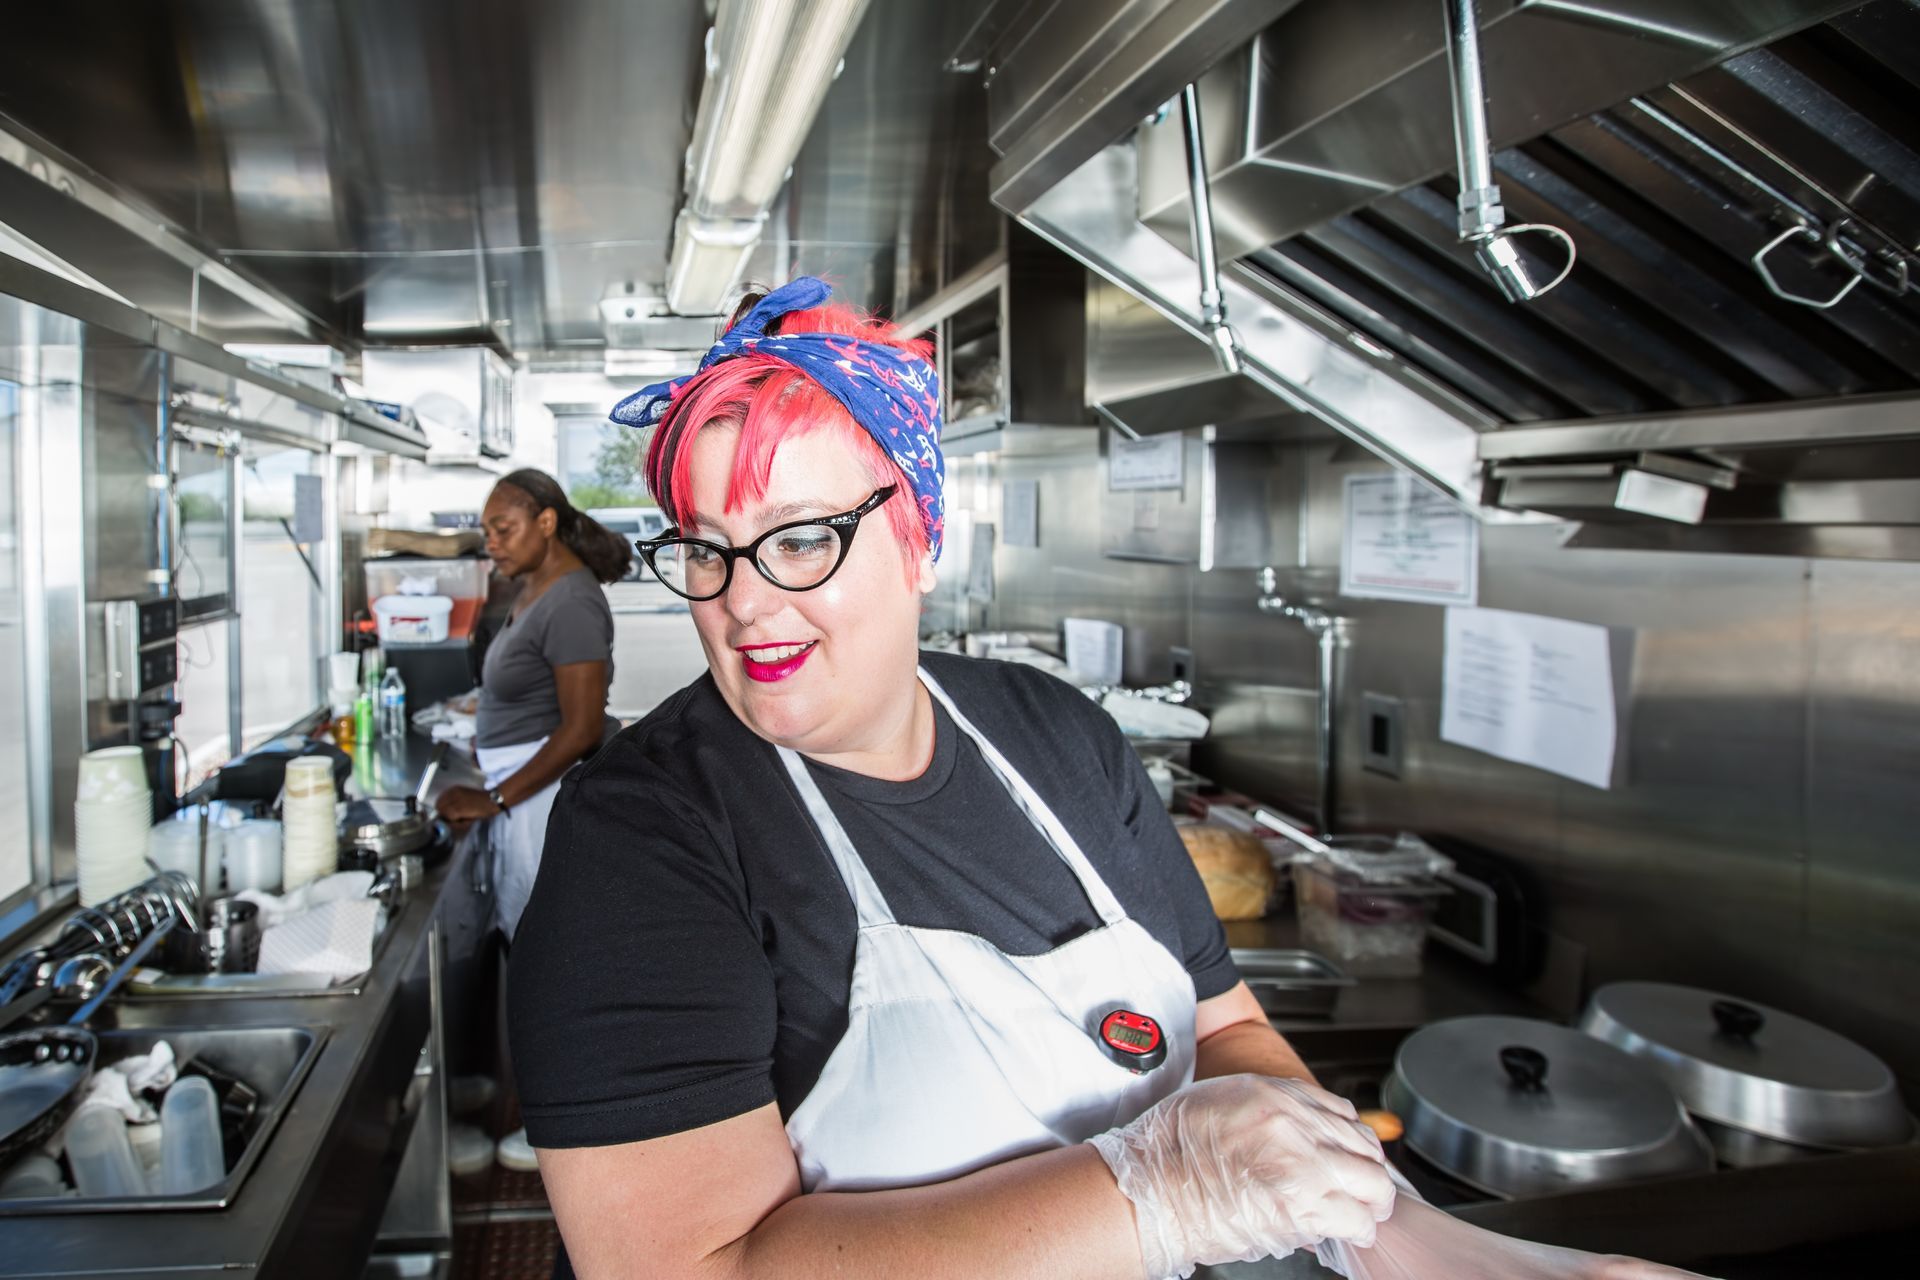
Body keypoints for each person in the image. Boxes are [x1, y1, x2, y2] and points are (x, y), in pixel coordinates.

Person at [506, 279, 1710, 1280]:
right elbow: (693, 1266)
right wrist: (1158, 1190)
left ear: (922, 536)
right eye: (705, 548)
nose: (747, 597)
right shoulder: (648, 833)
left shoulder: (1052, 732)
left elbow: (1226, 1023)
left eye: (803, 535)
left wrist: (1407, 1238)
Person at [436, 468, 625, 1170]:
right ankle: (542, 1106)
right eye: (487, 532)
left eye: (503, 530)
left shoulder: (574, 600)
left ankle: (563, 1127)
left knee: (551, 967)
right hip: (522, 792)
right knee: (529, 956)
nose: (492, 544)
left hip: (543, 799)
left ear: (546, 522)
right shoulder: (537, 586)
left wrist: (497, 797)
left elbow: (578, 730)